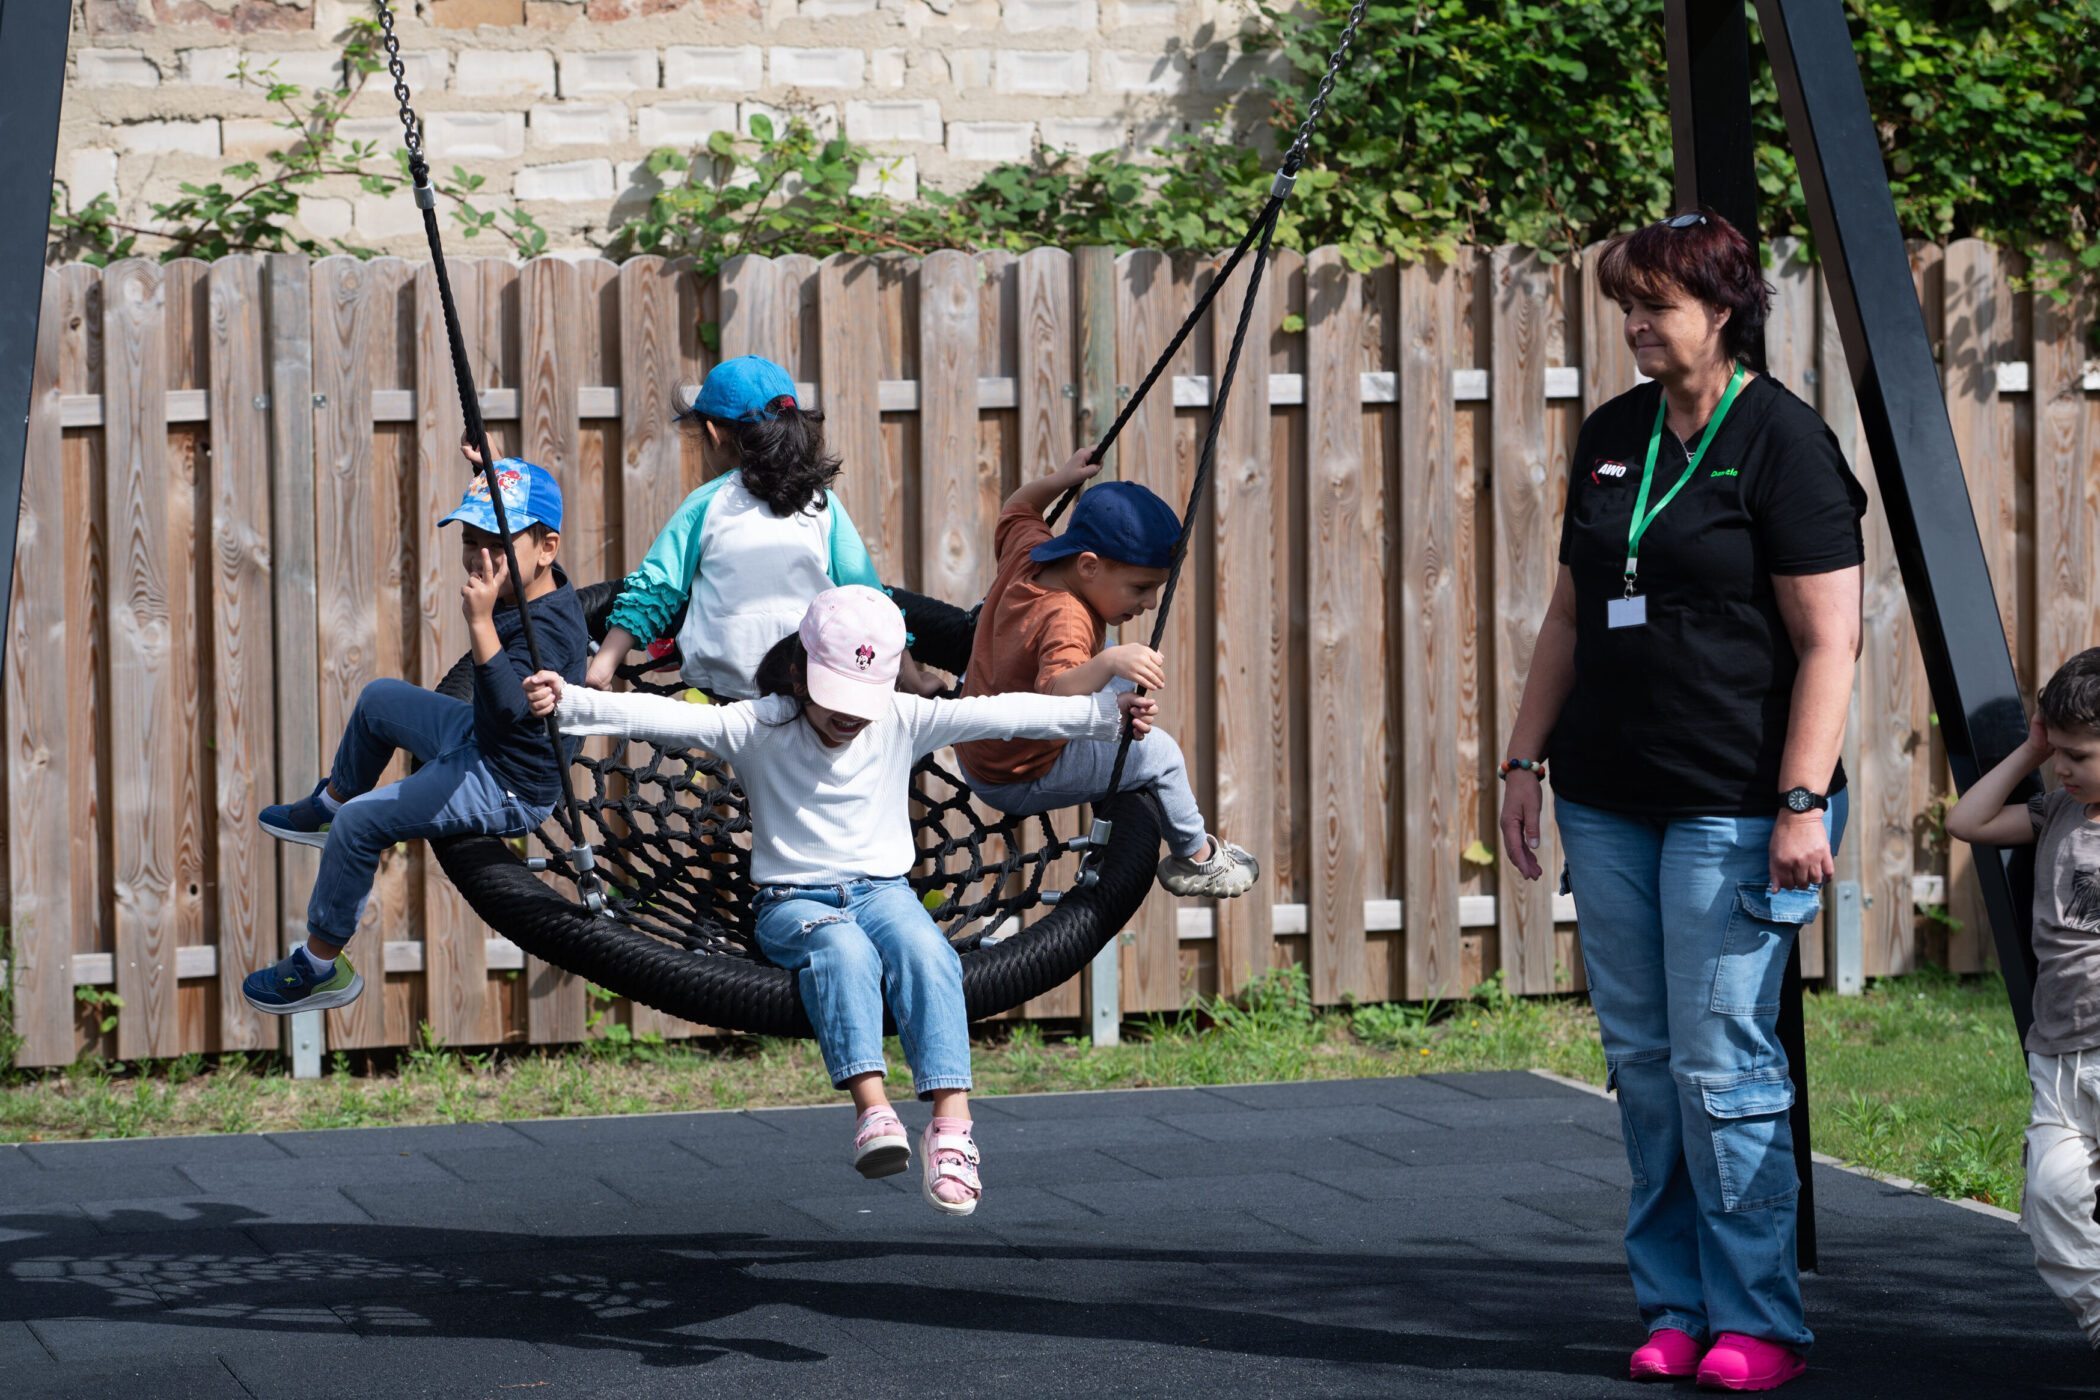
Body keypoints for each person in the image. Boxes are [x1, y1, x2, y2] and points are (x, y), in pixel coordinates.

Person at [1495, 210, 1867, 1391]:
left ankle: (1759, 1318)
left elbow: (1831, 643)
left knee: (1724, 1064)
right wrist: (1522, 761)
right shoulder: (1614, 435)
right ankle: (1672, 1299)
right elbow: (1569, 611)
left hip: (1737, 802)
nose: (1637, 324)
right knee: (1647, 1061)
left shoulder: (1786, 444)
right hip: (1609, 796)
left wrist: (1801, 799)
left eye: (1655, 304)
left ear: (1723, 310)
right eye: (1628, 304)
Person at [522, 585, 1155, 1215]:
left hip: (884, 892)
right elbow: (663, 718)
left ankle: (951, 1125)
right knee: (844, 951)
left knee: (927, 952)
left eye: (863, 700)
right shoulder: (757, 725)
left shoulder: (902, 719)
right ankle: (873, 1110)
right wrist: (569, 701)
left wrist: (1106, 716)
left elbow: (1003, 714)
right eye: (836, 698)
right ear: (800, 674)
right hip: (793, 901)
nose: (850, 716)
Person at [244, 455, 591, 1015]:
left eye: (497, 544)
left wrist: (479, 624)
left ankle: (320, 966)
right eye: (471, 541)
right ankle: (333, 799)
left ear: (547, 548)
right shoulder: (527, 583)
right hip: (480, 736)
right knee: (379, 697)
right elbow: (492, 714)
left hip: (507, 782)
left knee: (363, 826)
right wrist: (491, 460)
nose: (482, 558)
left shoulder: (546, 627)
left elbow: (506, 710)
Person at [955, 446, 1258, 899]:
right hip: (1017, 772)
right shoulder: (1068, 620)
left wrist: (1061, 477)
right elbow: (1055, 696)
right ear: (1089, 566)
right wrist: (1108, 665)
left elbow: (1018, 505)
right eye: (1141, 588)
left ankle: (1111, 686)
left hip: (978, 738)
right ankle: (1196, 859)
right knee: (1160, 755)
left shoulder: (1029, 551)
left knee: (1114, 653)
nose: (1151, 602)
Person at [593, 353, 936, 701]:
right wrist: (912, 680)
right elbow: (870, 598)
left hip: (730, 691)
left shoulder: (706, 502)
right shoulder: (822, 503)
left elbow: (655, 589)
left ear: (713, 433)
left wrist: (603, 666)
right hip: (810, 689)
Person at [1944, 647, 2100, 1348]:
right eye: (2057, 750)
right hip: (2056, 1055)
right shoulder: (2054, 812)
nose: (2064, 768)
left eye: (2079, 755)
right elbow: (1966, 823)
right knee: (2050, 1200)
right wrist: (2029, 750)